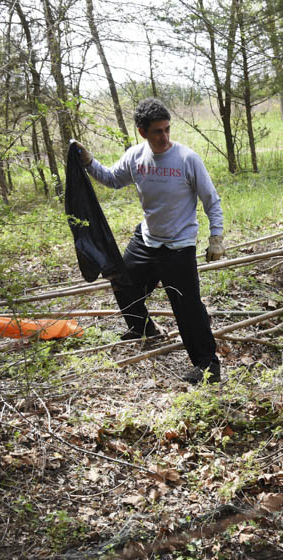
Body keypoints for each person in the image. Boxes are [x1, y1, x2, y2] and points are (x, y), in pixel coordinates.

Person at [74, 98, 225, 384]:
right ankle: (143, 328)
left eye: (167, 129)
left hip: (179, 246)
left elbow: (211, 201)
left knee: (188, 307)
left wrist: (215, 237)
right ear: (142, 132)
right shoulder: (136, 157)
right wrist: (88, 162)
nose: (164, 137)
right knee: (121, 281)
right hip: (147, 240)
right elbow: (111, 179)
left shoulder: (186, 159)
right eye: (157, 131)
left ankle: (208, 366)